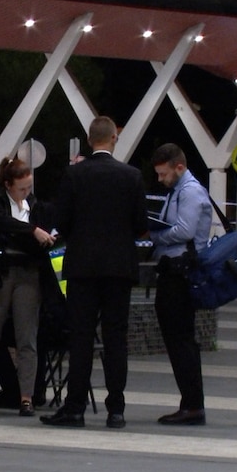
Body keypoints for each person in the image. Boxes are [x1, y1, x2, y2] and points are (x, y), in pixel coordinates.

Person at [41, 116, 147, 429]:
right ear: (114, 139)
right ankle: (116, 409)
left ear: (89, 140)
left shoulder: (74, 175)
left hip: (82, 268)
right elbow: (141, 226)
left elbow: (63, 221)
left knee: (81, 338)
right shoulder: (132, 176)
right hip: (119, 268)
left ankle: (75, 408)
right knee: (116, 337)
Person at [0, 156, 56, 417]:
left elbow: (43, 228)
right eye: (22, 188)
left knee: (27, 337)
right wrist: (30, 231)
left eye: (29, 187)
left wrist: (40, 234)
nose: (27, 192)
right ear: (8, 185)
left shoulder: (36, 206)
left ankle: (26, 396)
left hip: (27, 274)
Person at [148, 143, 212, 426]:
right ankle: (190, 403)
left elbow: (185, 230)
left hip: (180, 273)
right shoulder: (178, 191)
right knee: (178, 340)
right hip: (173, 272)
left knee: (181, 340)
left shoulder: (191, 192)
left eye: (163, 174)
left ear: (179, 167)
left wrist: (156, 236)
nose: (160, 180)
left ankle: (192, 405)